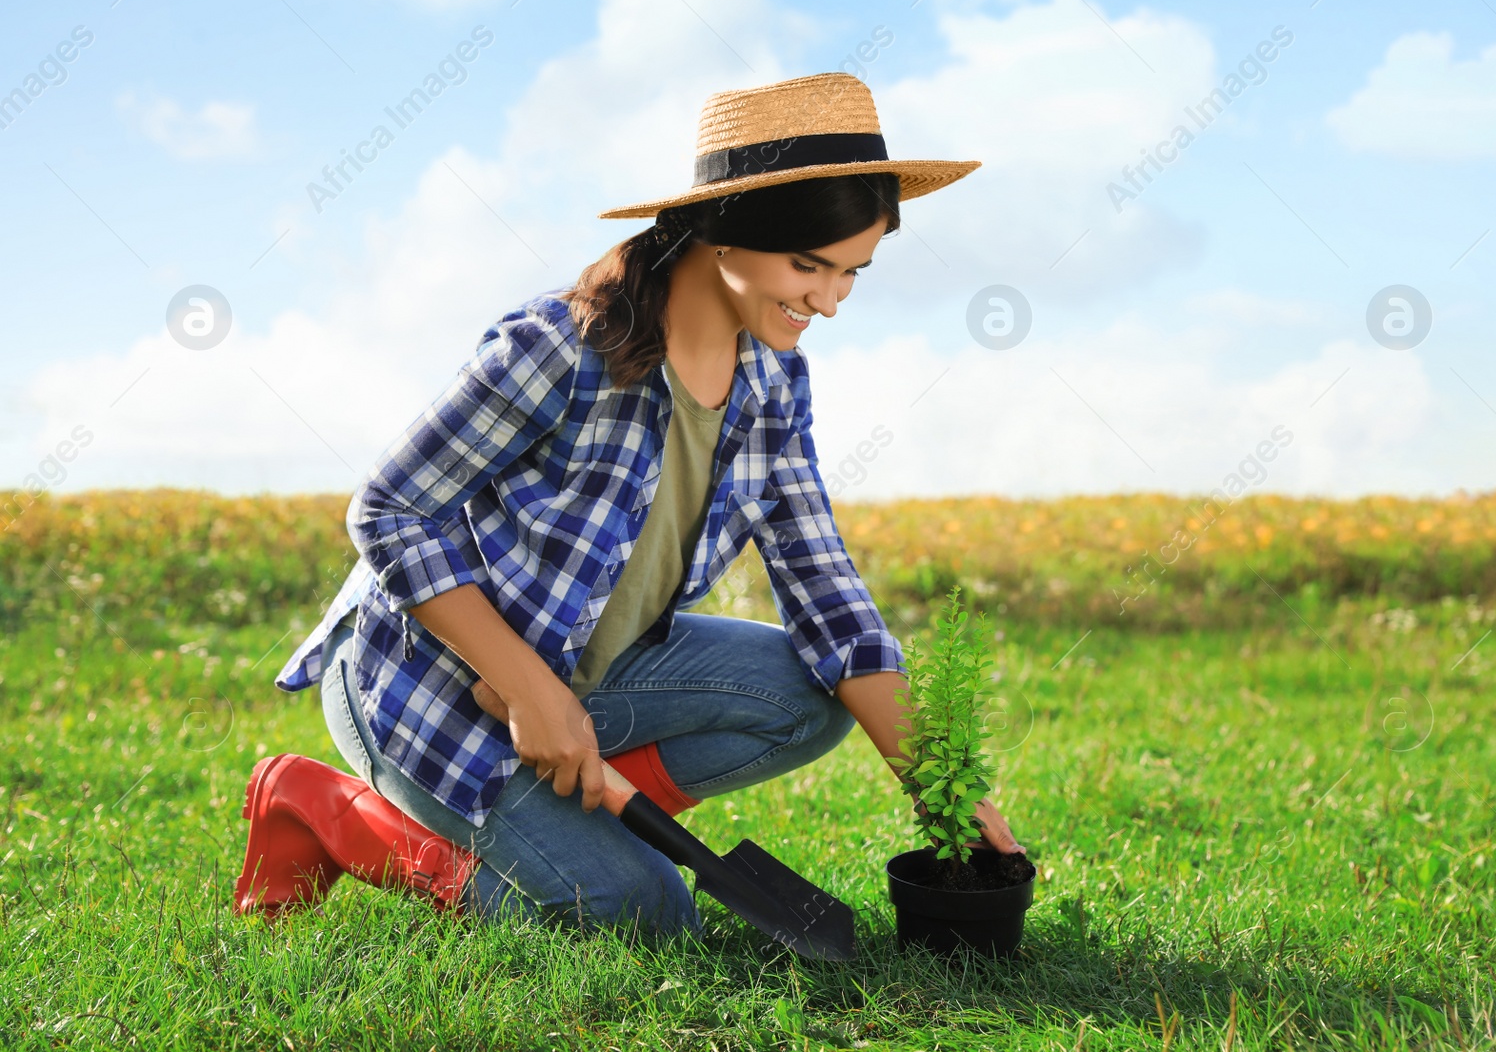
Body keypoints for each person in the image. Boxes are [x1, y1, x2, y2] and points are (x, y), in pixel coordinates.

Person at [232, 71, 1025, 940]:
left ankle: (575, 810)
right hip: (422, 686)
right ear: (724, 232)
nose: (830, 300)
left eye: (852, 274)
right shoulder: (562, 349)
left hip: (583, 680)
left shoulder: (772, 382)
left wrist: (943, 784)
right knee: (644, 910)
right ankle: (327, 809)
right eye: (809, 265)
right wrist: (528, 686)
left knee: (810, 694)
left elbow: (828, 598)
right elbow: (387, 511)